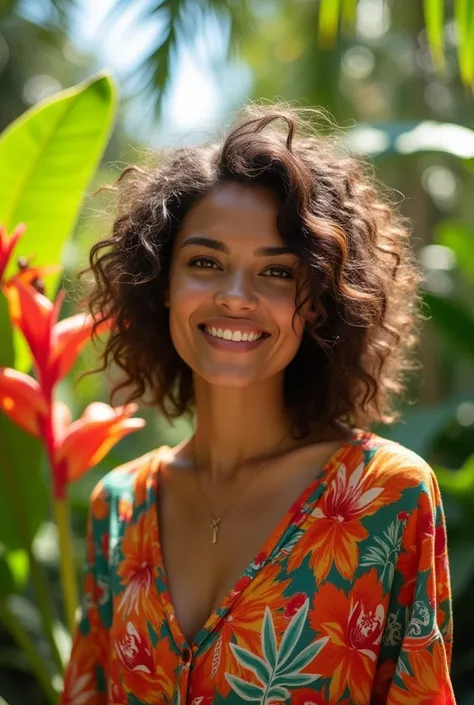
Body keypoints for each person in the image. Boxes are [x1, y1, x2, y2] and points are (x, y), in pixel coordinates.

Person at [61, 103, 455, 704]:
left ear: (320, 299)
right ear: (162, 284)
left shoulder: (387, 498)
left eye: (276, 272)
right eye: (206, 263)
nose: (236, 297)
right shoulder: (117, 509)